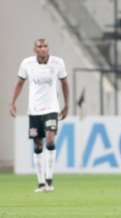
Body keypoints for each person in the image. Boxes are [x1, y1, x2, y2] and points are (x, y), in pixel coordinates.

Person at [10, 38, 69, 192]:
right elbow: (20, 83)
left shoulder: (58, 63)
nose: (43, 48)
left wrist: (66, 105)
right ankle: (41, 182)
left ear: (48, 48)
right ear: (35, 49)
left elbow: (64, 83)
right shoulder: (26, 64)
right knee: (37, 144)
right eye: (39, 46)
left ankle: (49, 179)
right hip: (34, 110)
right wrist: (13, 102)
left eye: (45, 46)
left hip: (51, 108)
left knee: (50, 138)